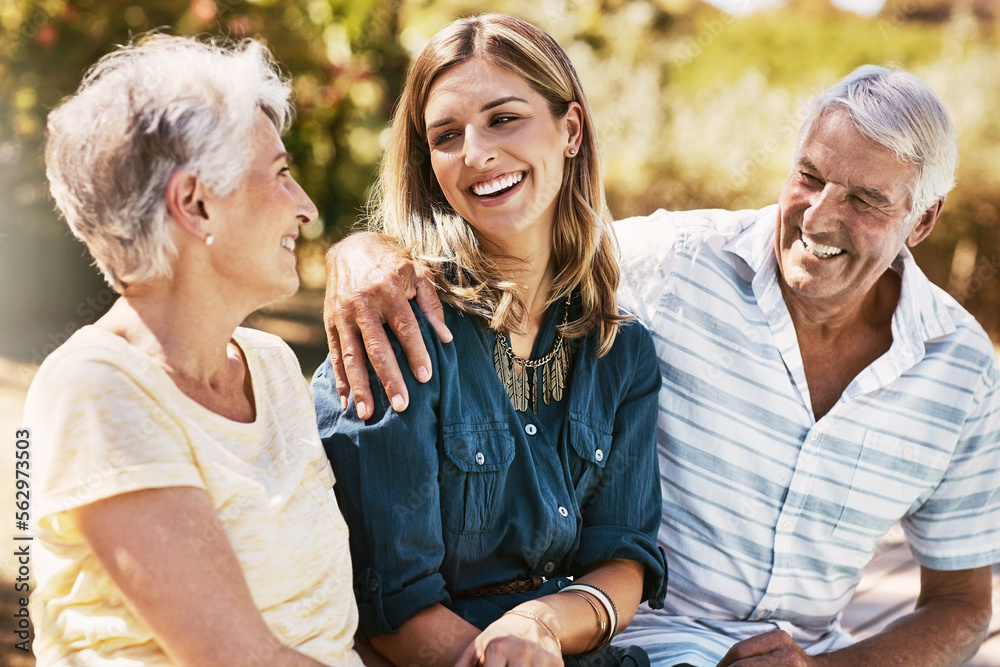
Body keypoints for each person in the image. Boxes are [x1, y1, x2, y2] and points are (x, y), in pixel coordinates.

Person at [322, 63, 1000, 667]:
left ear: (921, 219)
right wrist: (359, 251)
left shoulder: (962, 373)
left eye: (863, 200)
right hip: (632, 638)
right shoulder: (673, 261)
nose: (819, 217)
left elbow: (963, 601)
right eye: (810, 177)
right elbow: (517, 239)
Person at [311, 14, 666, 667]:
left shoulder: (623, 352)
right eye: (446, 135)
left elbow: (624, 555)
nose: (475, 153)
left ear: (571, 130)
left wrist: (542, 623)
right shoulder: (400, 327)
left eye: (503, 118)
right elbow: (393, 610)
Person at [25, 35, 374, 666]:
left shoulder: (269, 366)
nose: (306, 208)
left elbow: (326, 629)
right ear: (195, 203)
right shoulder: (96, 389)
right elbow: (240, 658)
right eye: (280, 174)